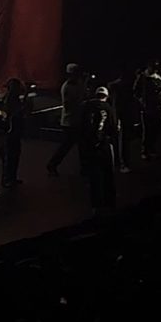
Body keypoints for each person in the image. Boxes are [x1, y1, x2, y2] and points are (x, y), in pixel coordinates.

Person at [79, 86, 117, 214]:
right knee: (108, 174)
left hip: (89, 145)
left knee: (94, 175)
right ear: (106, 96)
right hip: (104, 145)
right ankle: (110, 202)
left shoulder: (86, 107)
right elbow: (113, 128)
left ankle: (96, 204)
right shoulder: (109, 108)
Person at [47, 63, 88, 176]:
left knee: (78, 145)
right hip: (70, 121)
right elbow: (69, 104)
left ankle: (83, 168)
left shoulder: (78, 83)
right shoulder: (68, 86)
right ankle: (52, 164)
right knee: (68, 145)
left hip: (77, 119)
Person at [133, 60, 161, 160]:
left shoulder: (158, 78)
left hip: (156, 107)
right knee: (146, 130)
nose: (155, 70)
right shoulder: (142, 78)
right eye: (153, 67)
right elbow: (135, 91)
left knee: (155, 129)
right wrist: (141, 100)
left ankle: (152, 150)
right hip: (146, 107)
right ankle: (145, 151)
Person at [2, 77, 28, 187]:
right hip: (11, 131)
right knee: (10, 155)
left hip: (15, 130)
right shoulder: (9, 99)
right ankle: (7, 178)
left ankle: (12, 177)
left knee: (15, 154)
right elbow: (10, 114)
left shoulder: (14, 98)